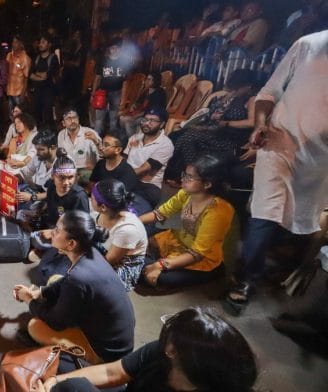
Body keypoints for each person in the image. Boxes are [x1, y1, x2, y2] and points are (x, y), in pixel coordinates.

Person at [226, 30, 328, 311]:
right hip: (278, 142)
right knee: (264, 213)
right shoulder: (308, 45)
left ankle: (278, 265)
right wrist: (261, 124)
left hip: (320, 160)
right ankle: (247, 278)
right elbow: (268, 92)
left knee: (301, 220)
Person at [13, 210, 135, 364]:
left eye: (57, 230)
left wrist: (29, 300)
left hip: (107, 352)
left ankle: (86, 360)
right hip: (114, 336)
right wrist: (40, 292)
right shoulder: (91, 253)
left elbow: (56, 322)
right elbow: (64, 282)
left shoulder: (78, 278)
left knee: (35, 327)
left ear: (71, 244)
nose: (52, 232)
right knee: (55, 280)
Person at [38, 307, 257, 392]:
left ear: (176, 352)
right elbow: (112, 372)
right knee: (59, 367)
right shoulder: (163, 353)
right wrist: (56, 382)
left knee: (74, 386)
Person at [139, 155, 233, 289]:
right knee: (140, 233)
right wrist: (132, 222)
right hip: (177, 240)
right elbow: (160, 213)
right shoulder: (186, 193)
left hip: (199, 257)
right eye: (184, 174)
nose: (182, 179)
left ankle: (214, 272)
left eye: (189, 177)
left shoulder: (219, 211)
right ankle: (143, 262)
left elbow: (197, 253)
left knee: (159, 277)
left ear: (207, 184)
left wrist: (160, 265)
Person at [165, 69, 257, 187]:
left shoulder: (252, 99)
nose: (235, 90)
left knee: (189, 137)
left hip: (234, 141)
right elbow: (216, 115)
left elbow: (252, 122)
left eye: (237, 88)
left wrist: (228, 123)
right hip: (220, 134)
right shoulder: (236, 98)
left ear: (248, 86)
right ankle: (179, 174)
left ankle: (191, 177)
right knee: (182, 135)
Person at [91, 179, 147, 291]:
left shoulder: (127, 230)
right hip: (103, 251)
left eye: (92, 198)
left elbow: (108, 262)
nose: (90, 198)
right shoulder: (101, 213)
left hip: (122, 264)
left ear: (103, 207)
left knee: (89, 282)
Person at [25, 148, 91, 235]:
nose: (66, 183)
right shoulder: (52, 186)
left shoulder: (79, 196)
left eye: (70, 177)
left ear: (75, 177)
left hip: (66, 235)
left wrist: (53, 233)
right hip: (51, 226)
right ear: (53, 176)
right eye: (61, 178)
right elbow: (50, 204)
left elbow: (81, 229)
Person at [123, 106, 174, 212]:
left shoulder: (165, 144)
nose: (147, 123)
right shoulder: (135, 137)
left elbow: (144, 170)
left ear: (162, 124)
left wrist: (120, 176)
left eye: (153, 121)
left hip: (147, 186)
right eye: (145, 119)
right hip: (128, 179)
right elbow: (123, 160)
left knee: (131, 212)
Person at [0, 113, 37, 191]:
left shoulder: (35, 136)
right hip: (14, 165)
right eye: (15, 123)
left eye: (19, 122)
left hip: (27, 165)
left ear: (27, 122)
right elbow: (10, 156)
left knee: (17, 173)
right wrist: (10, 161)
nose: (17, 125)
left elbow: (32, 155)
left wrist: (21, 162)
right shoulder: (15, 139)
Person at [90, 39, 132, 135]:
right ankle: (96, 139)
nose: (115, 50)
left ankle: (112, 141)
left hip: (116, 92)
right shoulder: (103, 61)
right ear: (109, 49)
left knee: (113, 119)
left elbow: (125, 82)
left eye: (117, 48)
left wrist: (123, 98)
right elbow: (97, 78)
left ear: (120, 49)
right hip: (102, 92)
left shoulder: (123, 63)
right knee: (99, 119)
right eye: (112, 48)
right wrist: (93, 93)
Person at [16, 130, 58, 213]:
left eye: (41, 149)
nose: (37, 153)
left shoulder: (64, 163)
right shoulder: (39, 157)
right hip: (38, 190)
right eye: (36, 149)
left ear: (53, 147)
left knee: (24, 210)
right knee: (14, 195)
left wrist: (32, 197)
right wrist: (10, 182)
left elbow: (58, 193)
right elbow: (26, 172)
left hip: (55, 198)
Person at [57, 109, 100, 185]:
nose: (72, 120)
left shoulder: (90, 133)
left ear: (78, 119)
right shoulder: (61, 135)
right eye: (68, 119)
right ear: (63, 123)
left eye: (74, 117)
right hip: (70, 171)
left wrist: (96, 142)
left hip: (88, 172)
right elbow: (61, 156)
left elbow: (101, 155)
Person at [119, 73, 167, 140]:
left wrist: (134, 117)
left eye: (149, 79)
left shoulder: (159, 93)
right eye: (147, 79)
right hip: (141, 113)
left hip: (151, 117)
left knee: (128, 123)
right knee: (121, 119)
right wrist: (134, 105)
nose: (146, 81)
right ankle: (124, 139)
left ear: (155, 81)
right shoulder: (147, 90)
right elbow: (139, 101)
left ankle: (134, 142)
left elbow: (151, 111)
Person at [29, 36, 60, 127]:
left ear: (49, 45)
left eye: (43, 42)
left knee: (48, 117)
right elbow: (30, 75)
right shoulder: (36, 58)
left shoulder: (53, 58)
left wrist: (37, 75)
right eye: (40, 42)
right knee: (36, 116)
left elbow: (47, 75)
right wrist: (40, 76)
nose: (40, 44)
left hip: (48, 92)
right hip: (37, 92)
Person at [6, 35, 31, 114]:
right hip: (9, 90)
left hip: (19, 92)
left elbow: (26, 77)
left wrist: (23, 93)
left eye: (16, 42)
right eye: (13, 42)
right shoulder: (9, 55)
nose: (14, 44)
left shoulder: (25, 58)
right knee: (11, 114)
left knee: (20, 114)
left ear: (21, 44)